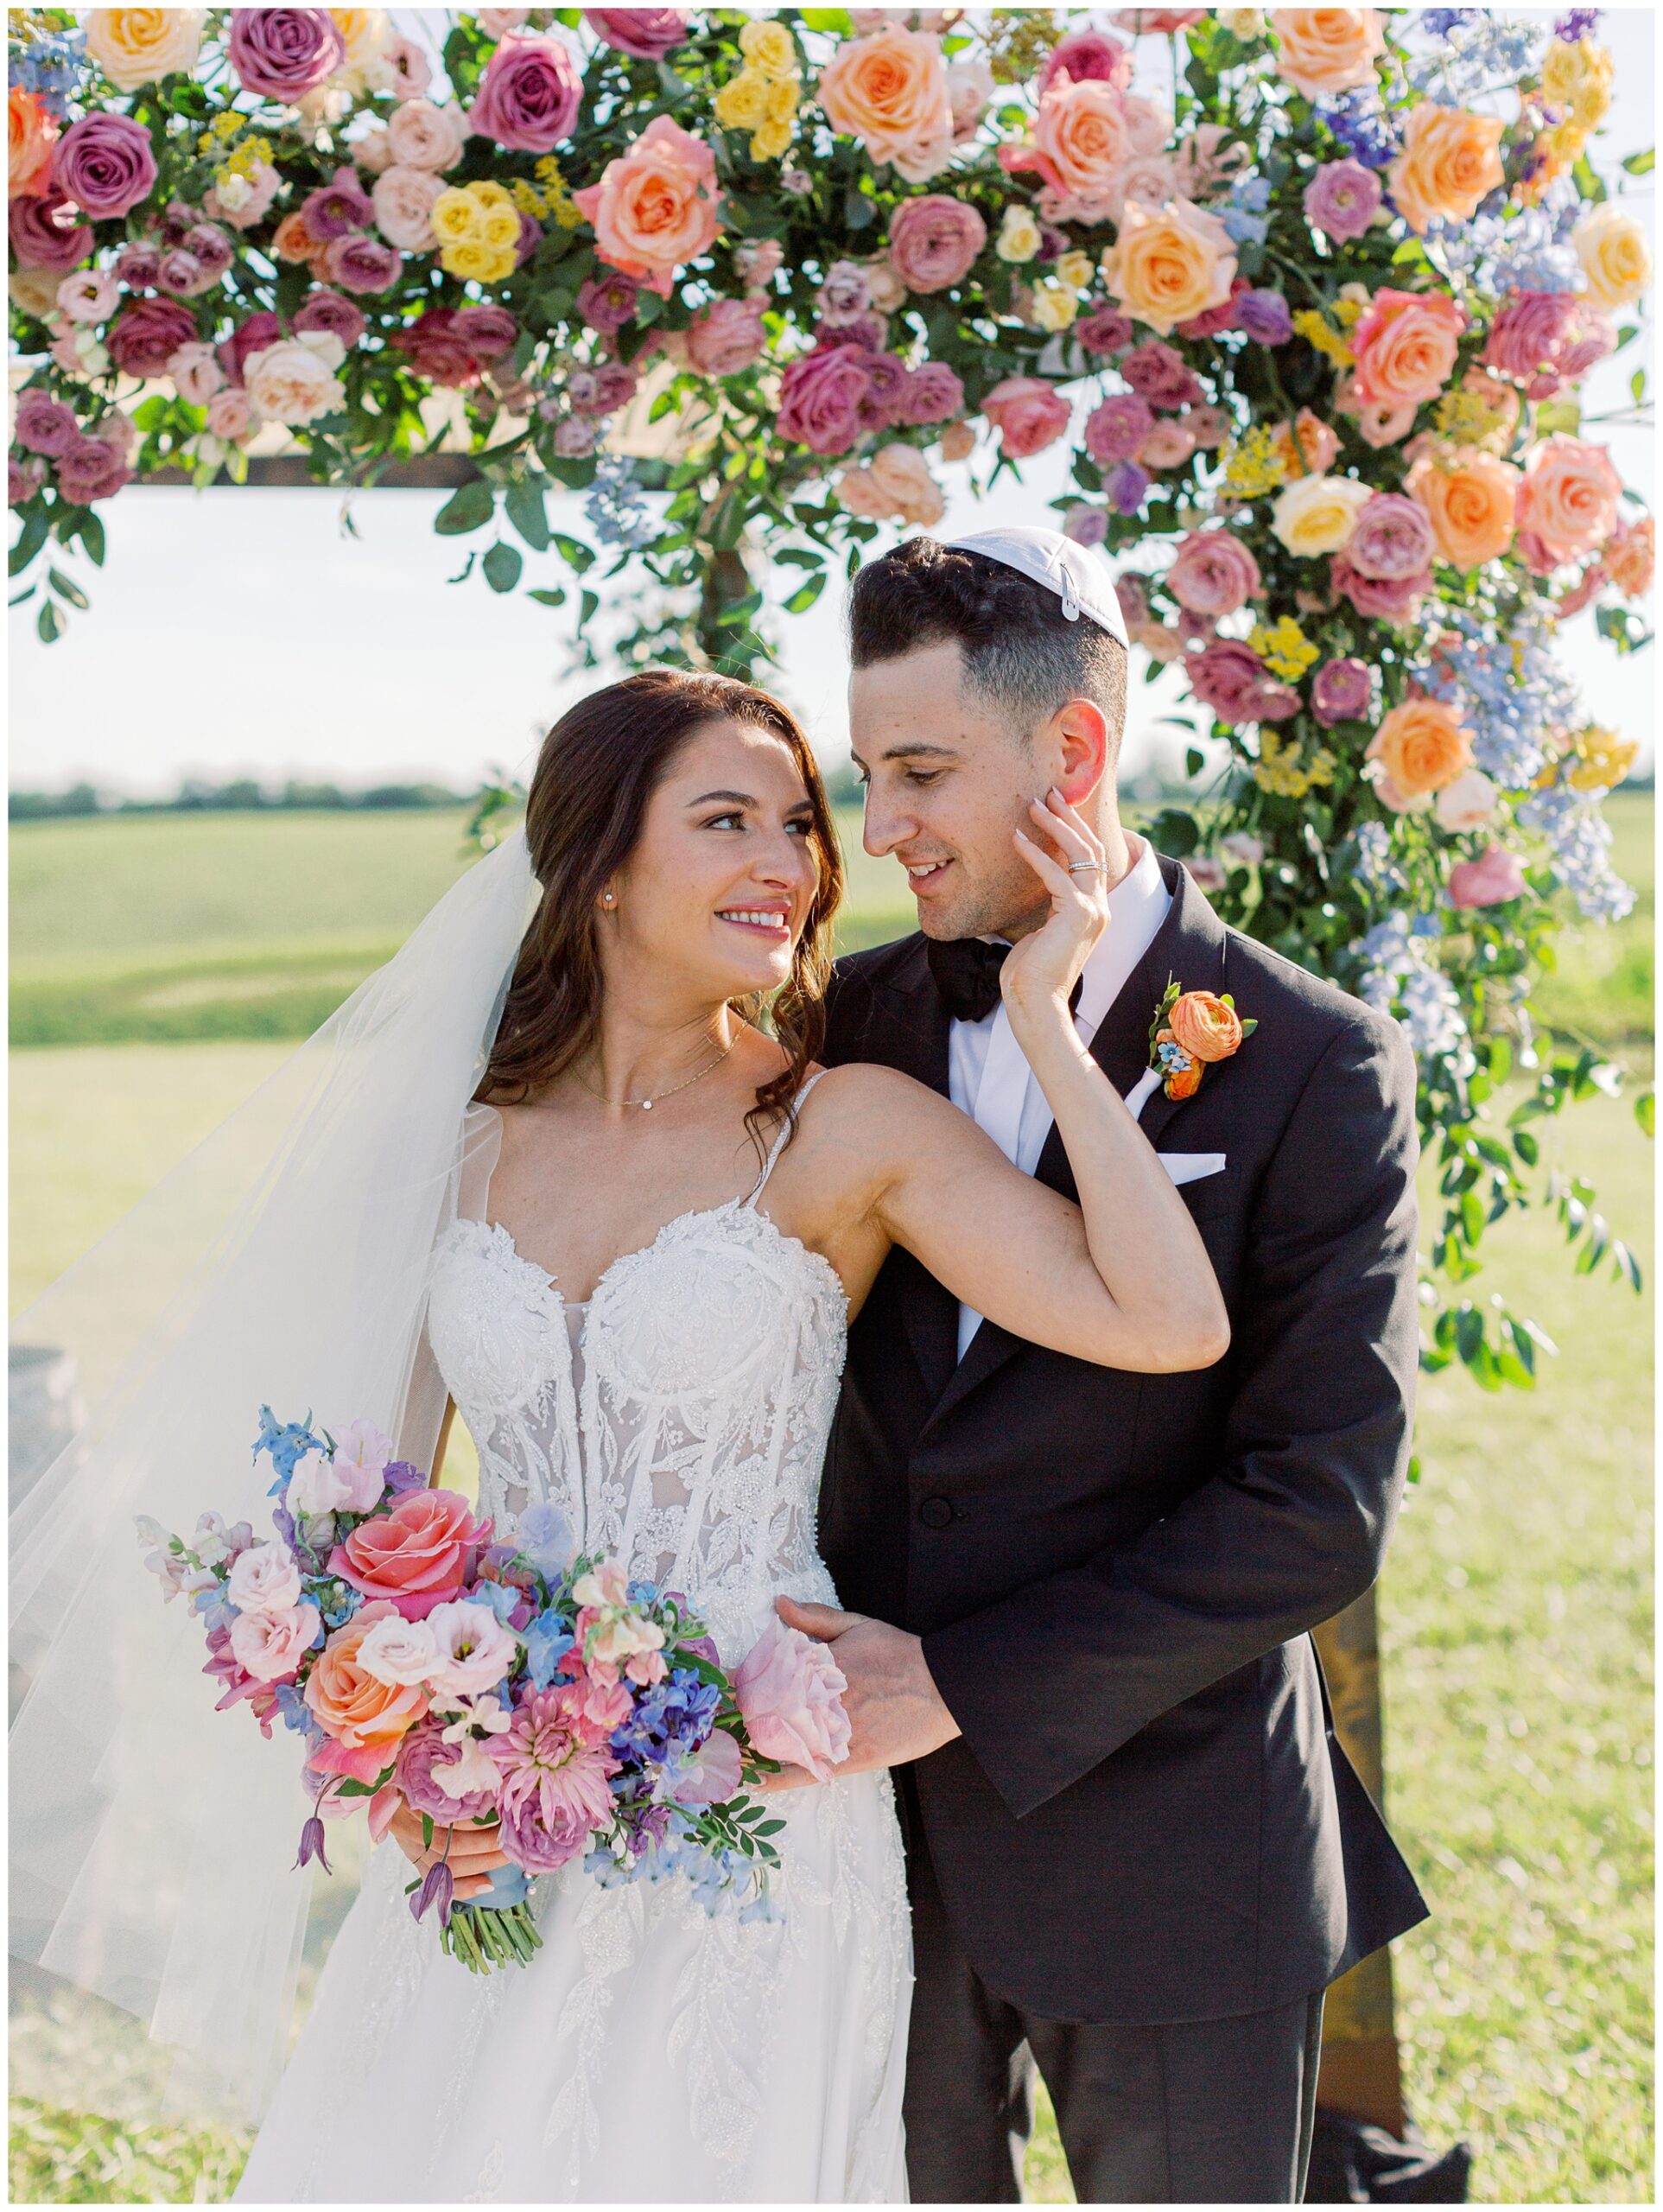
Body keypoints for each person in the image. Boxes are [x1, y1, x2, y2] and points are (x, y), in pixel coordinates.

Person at [216, 665, 1227, 2202]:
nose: (791, 862)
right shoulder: (458, 1138)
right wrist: (413, 1783)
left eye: (799, 825)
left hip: (754, 1799)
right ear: (604, 865)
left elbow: (1166, 1321)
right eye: (727, 819)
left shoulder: (845, 1124)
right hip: (498, 1810)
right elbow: (366, 1529)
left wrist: (1046, 1018)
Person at [781, 528, 1431, 2205]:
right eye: (867, 773)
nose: (883, 828)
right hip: (855, 1852)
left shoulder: (1313, 1065)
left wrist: (963, 1680)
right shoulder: (833, 1028)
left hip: (1181, 1853)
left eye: (921, 769)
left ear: (1074, 750)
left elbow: (1314, 1508)